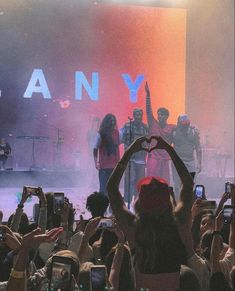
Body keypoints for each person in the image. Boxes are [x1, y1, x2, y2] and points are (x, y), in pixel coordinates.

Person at [107, 135, 194, 290]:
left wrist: (129, 152)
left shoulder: (134, 228)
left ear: (140, 202)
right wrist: (169, 149)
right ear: (168, 202)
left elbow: (112, 188)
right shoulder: (177, 223)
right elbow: (187, 183)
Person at [145, 83, 175, 183]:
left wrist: (192, 127)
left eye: (162, 115)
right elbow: (148, 111)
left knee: (164, 183)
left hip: (165, 159)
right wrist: (148, 96)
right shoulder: (153, 123)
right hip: (153, 158)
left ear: (166, 116)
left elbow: (182, 128)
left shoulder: (171, 127)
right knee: (151, 181)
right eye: (158, 115)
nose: (159, 116)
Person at [120, 108, 148, 204]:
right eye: (136, 115)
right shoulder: (127, 126)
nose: (138, 117)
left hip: (141, 159)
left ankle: (138, 201)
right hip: (130, 159)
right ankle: (127, 201)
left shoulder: (145, 127)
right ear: (133, 115)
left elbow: (148, 142)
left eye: (140, 115)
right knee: (129, 180)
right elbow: (121, 139)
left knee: (140, 182)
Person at [172, 114, 202, 200]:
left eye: (187, 124)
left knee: (191, 183)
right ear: (179, 124)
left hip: (190, 161)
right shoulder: (174, 132)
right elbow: (168, 144)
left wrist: (199, 163)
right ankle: (178, 203)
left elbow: (198, 147)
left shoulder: (193, 132)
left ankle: (188, 203)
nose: (185, 127)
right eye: (183, 125)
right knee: (177, 184)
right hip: (177, 162)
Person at [93, 113, 120, 195]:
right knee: (103, 188)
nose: (112, 123)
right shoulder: (100, 133)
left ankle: (112, 207)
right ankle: (103, 206)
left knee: (114, 189)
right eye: (110, 121)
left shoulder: (116, 133)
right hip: (104, 166)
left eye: (113, 121)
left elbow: (117, 148)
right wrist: (96, 162)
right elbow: (95, 148)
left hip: (114, 166)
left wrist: (119, 162)